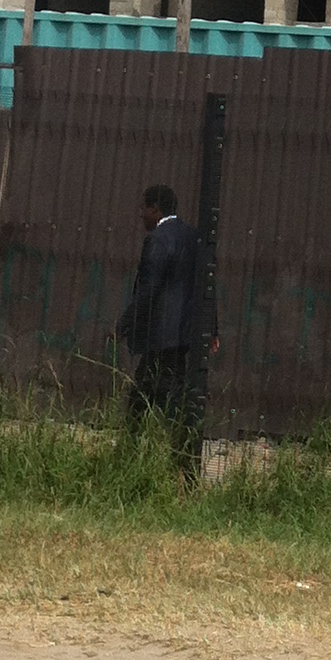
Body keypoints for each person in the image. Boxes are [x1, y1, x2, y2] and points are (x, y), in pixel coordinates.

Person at [116, 182, 206, 481]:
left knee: (160, 401)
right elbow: (204, 285)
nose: (141, 214)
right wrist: (212, 327)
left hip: (160, 335)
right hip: (183, 335)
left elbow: (149, 289)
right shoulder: (194, 237)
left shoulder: (157, 239)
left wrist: (125, 323)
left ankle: (162, 462)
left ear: (155, 209)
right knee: (147, 395)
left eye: (144, 208)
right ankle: (159, 460)